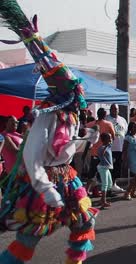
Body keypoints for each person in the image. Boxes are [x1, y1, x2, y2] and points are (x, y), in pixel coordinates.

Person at [0, 5, 100, 261]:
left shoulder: (71, 113)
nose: (80, 91)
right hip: (44, 181)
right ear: (65, 93)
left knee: (84, 225)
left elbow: (63, 147)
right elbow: (33, 157)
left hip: (67, 177)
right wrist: (46, 190)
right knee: (29, 239)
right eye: (75, 88)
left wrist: (85, 138)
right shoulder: (47, 116)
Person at [86, 108, 116, 197]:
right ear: (104, 115)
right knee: (105, 173)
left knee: (92, 174)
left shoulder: (91, 124)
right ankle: (106, 192)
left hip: (94, 153)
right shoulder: (108, 124)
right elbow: (113, 137)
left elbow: (84, 132)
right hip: (104, 154)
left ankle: (88, 191)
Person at [105, 104, 128, 192]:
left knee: (117, 168)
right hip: (109, 148)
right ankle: (108, 187)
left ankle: (113, 184)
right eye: (113, 109)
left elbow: (125, 132)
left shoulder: (122, 120)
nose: (115, 110)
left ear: (119, 110)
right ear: (110, 110)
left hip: (119, 148)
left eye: (116, 109)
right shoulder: (107, 119)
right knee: (109, 168)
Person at [122, 122, 136, 200]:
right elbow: (124, 149)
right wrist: (125, 160)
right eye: (135, 127)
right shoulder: (128, 137)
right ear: (131, 128)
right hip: (132, 156)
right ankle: (127, 192)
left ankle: (133, 192)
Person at [97, 133, 113, 209]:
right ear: (104, 140)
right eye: (109, 138)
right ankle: (103, 201)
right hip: (102, 167)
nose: (110, 139)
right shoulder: (102, 147)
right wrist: (106, 146)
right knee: (105, 184)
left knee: (110, 184)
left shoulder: (109, 146)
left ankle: (102, 200)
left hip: (107, 167)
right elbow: (101, 154)